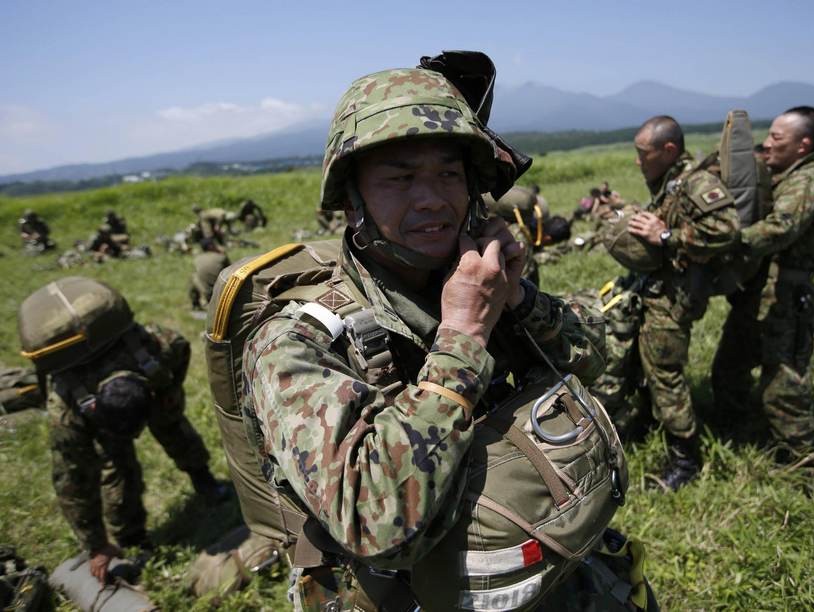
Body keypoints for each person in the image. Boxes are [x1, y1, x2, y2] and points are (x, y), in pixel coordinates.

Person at [235, 63, 637, 611]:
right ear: (353, 201)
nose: (431, 199)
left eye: (448, 175)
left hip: (541, 558)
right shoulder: (295, 341)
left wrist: (519, 299)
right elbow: (375, 525)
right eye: (399, 179)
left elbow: (594, 356)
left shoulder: (474, 275)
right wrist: (464, 336)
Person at [30, 296, 226, 583]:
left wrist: (171, 391)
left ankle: (204, 480)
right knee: (117, 469)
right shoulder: (66, 410)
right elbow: (71, 483)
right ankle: (134, 540)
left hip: (149, 392)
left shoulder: (157, 349)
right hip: (106, 412)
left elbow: (181, 346)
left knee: (174, 428)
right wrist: (95, 545)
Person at [712, 106, 814, 463]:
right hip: (760, 295)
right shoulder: (784, 176)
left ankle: (802, 460)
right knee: (729, 368)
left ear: (803, 145)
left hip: (784, 298)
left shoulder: (807, 182)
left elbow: (781, 227)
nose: (766, 144)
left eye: (776, 138)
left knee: (783, 384)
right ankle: (740, 435)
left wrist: (727, 241)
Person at [624, 115, 740, 490]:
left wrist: (667, 235)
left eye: (643, 153)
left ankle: (685, 460)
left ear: (668, 150)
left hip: (676, 299)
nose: (638, 161)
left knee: (666, 375)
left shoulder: (697, 183)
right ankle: (648, 425)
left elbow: (727, 231)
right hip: (659, 293)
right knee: (649, 366)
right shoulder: (672, 183)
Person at [190, 239, 230, 311]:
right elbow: (231, 271)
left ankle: (195, 304)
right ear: (211, 246)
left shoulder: (197, 259)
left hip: (206, 291)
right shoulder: (221, 257)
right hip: (221, 292)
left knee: (194, 276)